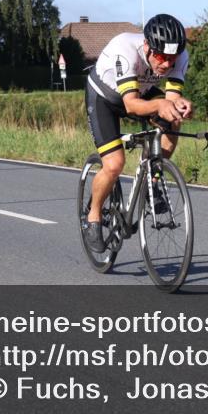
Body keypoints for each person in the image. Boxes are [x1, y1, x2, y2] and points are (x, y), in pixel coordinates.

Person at [82, 13, 194, 251]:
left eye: (172, 60)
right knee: (114, 164)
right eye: (162, 57)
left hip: (140, 92)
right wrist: (161, 104)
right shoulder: (125, 49)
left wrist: (179, 105)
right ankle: (93, 217)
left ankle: (152, 180)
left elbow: (171, 99)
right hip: (104, 97)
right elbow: (131, 105)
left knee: (172, 122)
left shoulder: (180, 56)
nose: (166, 64)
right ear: (147, 47)